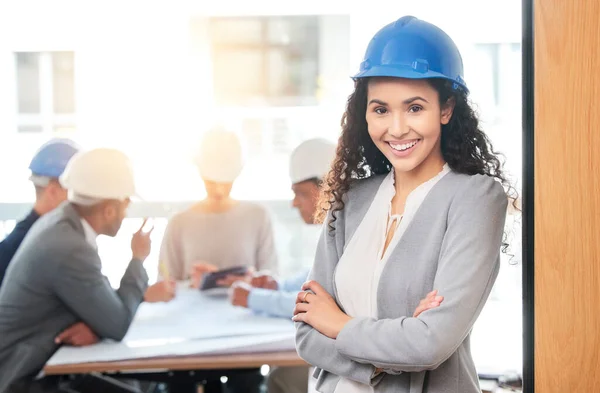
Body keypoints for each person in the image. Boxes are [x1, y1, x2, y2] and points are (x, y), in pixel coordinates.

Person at [293, 16, 511, 393]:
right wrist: (390, 351)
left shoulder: (476, 198)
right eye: (381, 110)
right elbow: (307, 334)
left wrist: (339, 324)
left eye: (414, 108)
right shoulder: (350, 199)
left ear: (446, 109)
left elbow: (430, 344)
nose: (396, 129)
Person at [0, 148, 153, 393]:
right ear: (110, 210)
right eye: (126, 205)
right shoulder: (69, 246)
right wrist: (138, 258)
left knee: (138, 384)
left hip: (40, 362)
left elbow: (102, 307)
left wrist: (95, 325)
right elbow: (117, 324)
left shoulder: (61, 223)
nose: (126, 214)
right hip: (22, 378)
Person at [229, 138, 336, 393]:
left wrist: (253, 298)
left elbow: (311, 302)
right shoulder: (337, 230)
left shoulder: (349, 231)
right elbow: (316, 276)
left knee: (281, 379)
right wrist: (278, 285)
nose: (294, 203)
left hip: (337, 364)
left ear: (324, 190)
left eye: (299, 193)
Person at [159, 127, 277, 288]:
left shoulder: (258, 217)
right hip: (192, 313)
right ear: (200, 174)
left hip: (247, 312)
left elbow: (271, 282)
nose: (219, 191)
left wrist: (240, 282)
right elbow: (165, 285)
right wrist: (193, 284)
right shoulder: (179, 223)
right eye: (211, 182)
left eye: (226, 183)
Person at [0, 138, 80, 286]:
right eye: (77, 190)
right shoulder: (39, 244)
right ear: (53, 191)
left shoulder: (25, 237)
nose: (83, 199)